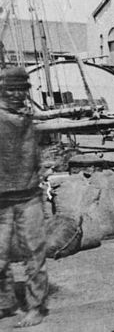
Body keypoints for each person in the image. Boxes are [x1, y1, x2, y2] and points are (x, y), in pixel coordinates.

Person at [0, 67, 48, 327]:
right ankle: (5, 303)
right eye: (11, 89)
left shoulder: (30, 115)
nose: (18, 95)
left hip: (29, 195)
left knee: (34, 254)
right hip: (1, 199)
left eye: (22, 90)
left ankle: (36, 307)